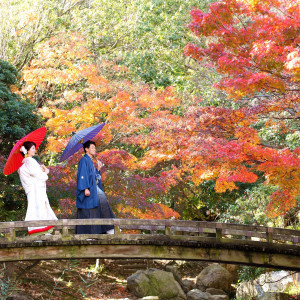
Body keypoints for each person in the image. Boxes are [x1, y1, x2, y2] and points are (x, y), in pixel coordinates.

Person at [18, 141, 57, 235]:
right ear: (27, 150)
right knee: (40, 208)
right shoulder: (30, 161)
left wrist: (41, 169)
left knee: (35, 209)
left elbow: (32, 175)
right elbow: (38, 175)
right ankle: (43, 230)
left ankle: (38, 231)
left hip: (32, 190)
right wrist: (45, 172)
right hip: (36, 190)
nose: (34, 150)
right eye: (32, 148)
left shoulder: (22, 164)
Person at [76, 140, 115, 235]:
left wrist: (97, 169)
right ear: (86, 149)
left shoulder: (90, 161)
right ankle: (106, 229)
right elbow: (82, 175)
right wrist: (85, 188)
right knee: (90, 211)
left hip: (93, 189)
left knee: (101, 206)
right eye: (92, 147)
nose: (94, 149)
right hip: (89, 190)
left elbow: (94, 177)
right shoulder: (84, 160)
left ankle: (108, 228)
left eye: (94, 147)